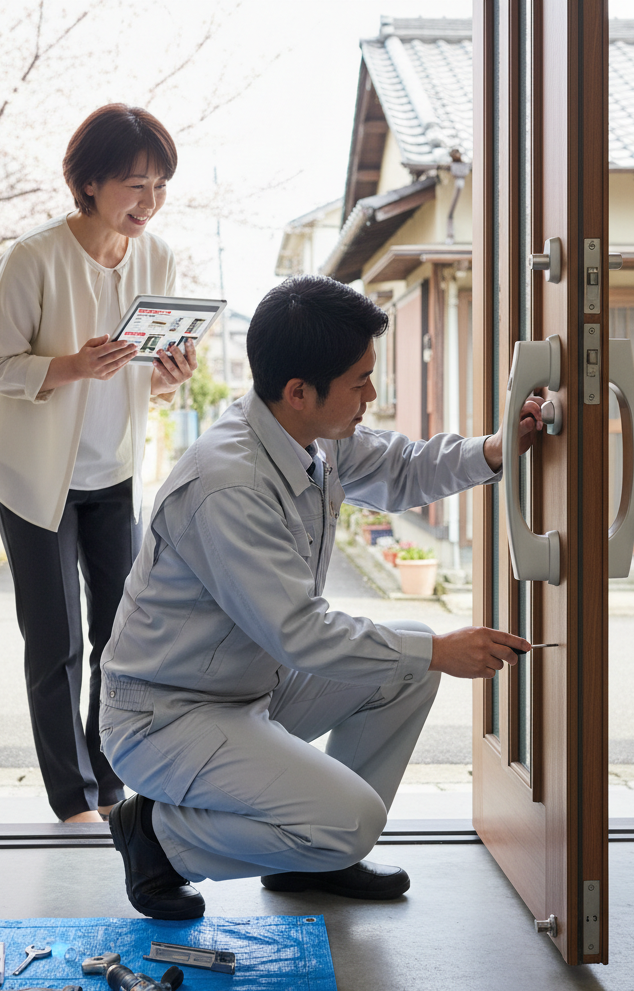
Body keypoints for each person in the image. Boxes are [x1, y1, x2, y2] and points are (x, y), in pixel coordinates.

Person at [99, 275, 542, 919]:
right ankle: (157, 839)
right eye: (360, 381)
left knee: (405, 670)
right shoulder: (228, 484)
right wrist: (440, 650)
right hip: (167, 717)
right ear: (298, 391)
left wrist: (497, 450)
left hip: (249, 686)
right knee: (355, 813)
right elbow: (301, 632)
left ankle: (308, 859)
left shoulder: (308, 434)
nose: (370, 395)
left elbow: (403, 468)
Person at [0, 104, 196, 823]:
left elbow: (146, 381)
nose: (149, 202)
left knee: (120, 639)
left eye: (159, 186)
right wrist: (70, 366)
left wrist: (171, 373)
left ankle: (111, 787)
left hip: (115, 474)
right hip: (35, 477)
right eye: (136, 185)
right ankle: (72, 799)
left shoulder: (158, 259)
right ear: (91, 182)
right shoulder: (34, 258)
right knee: (57, 641)